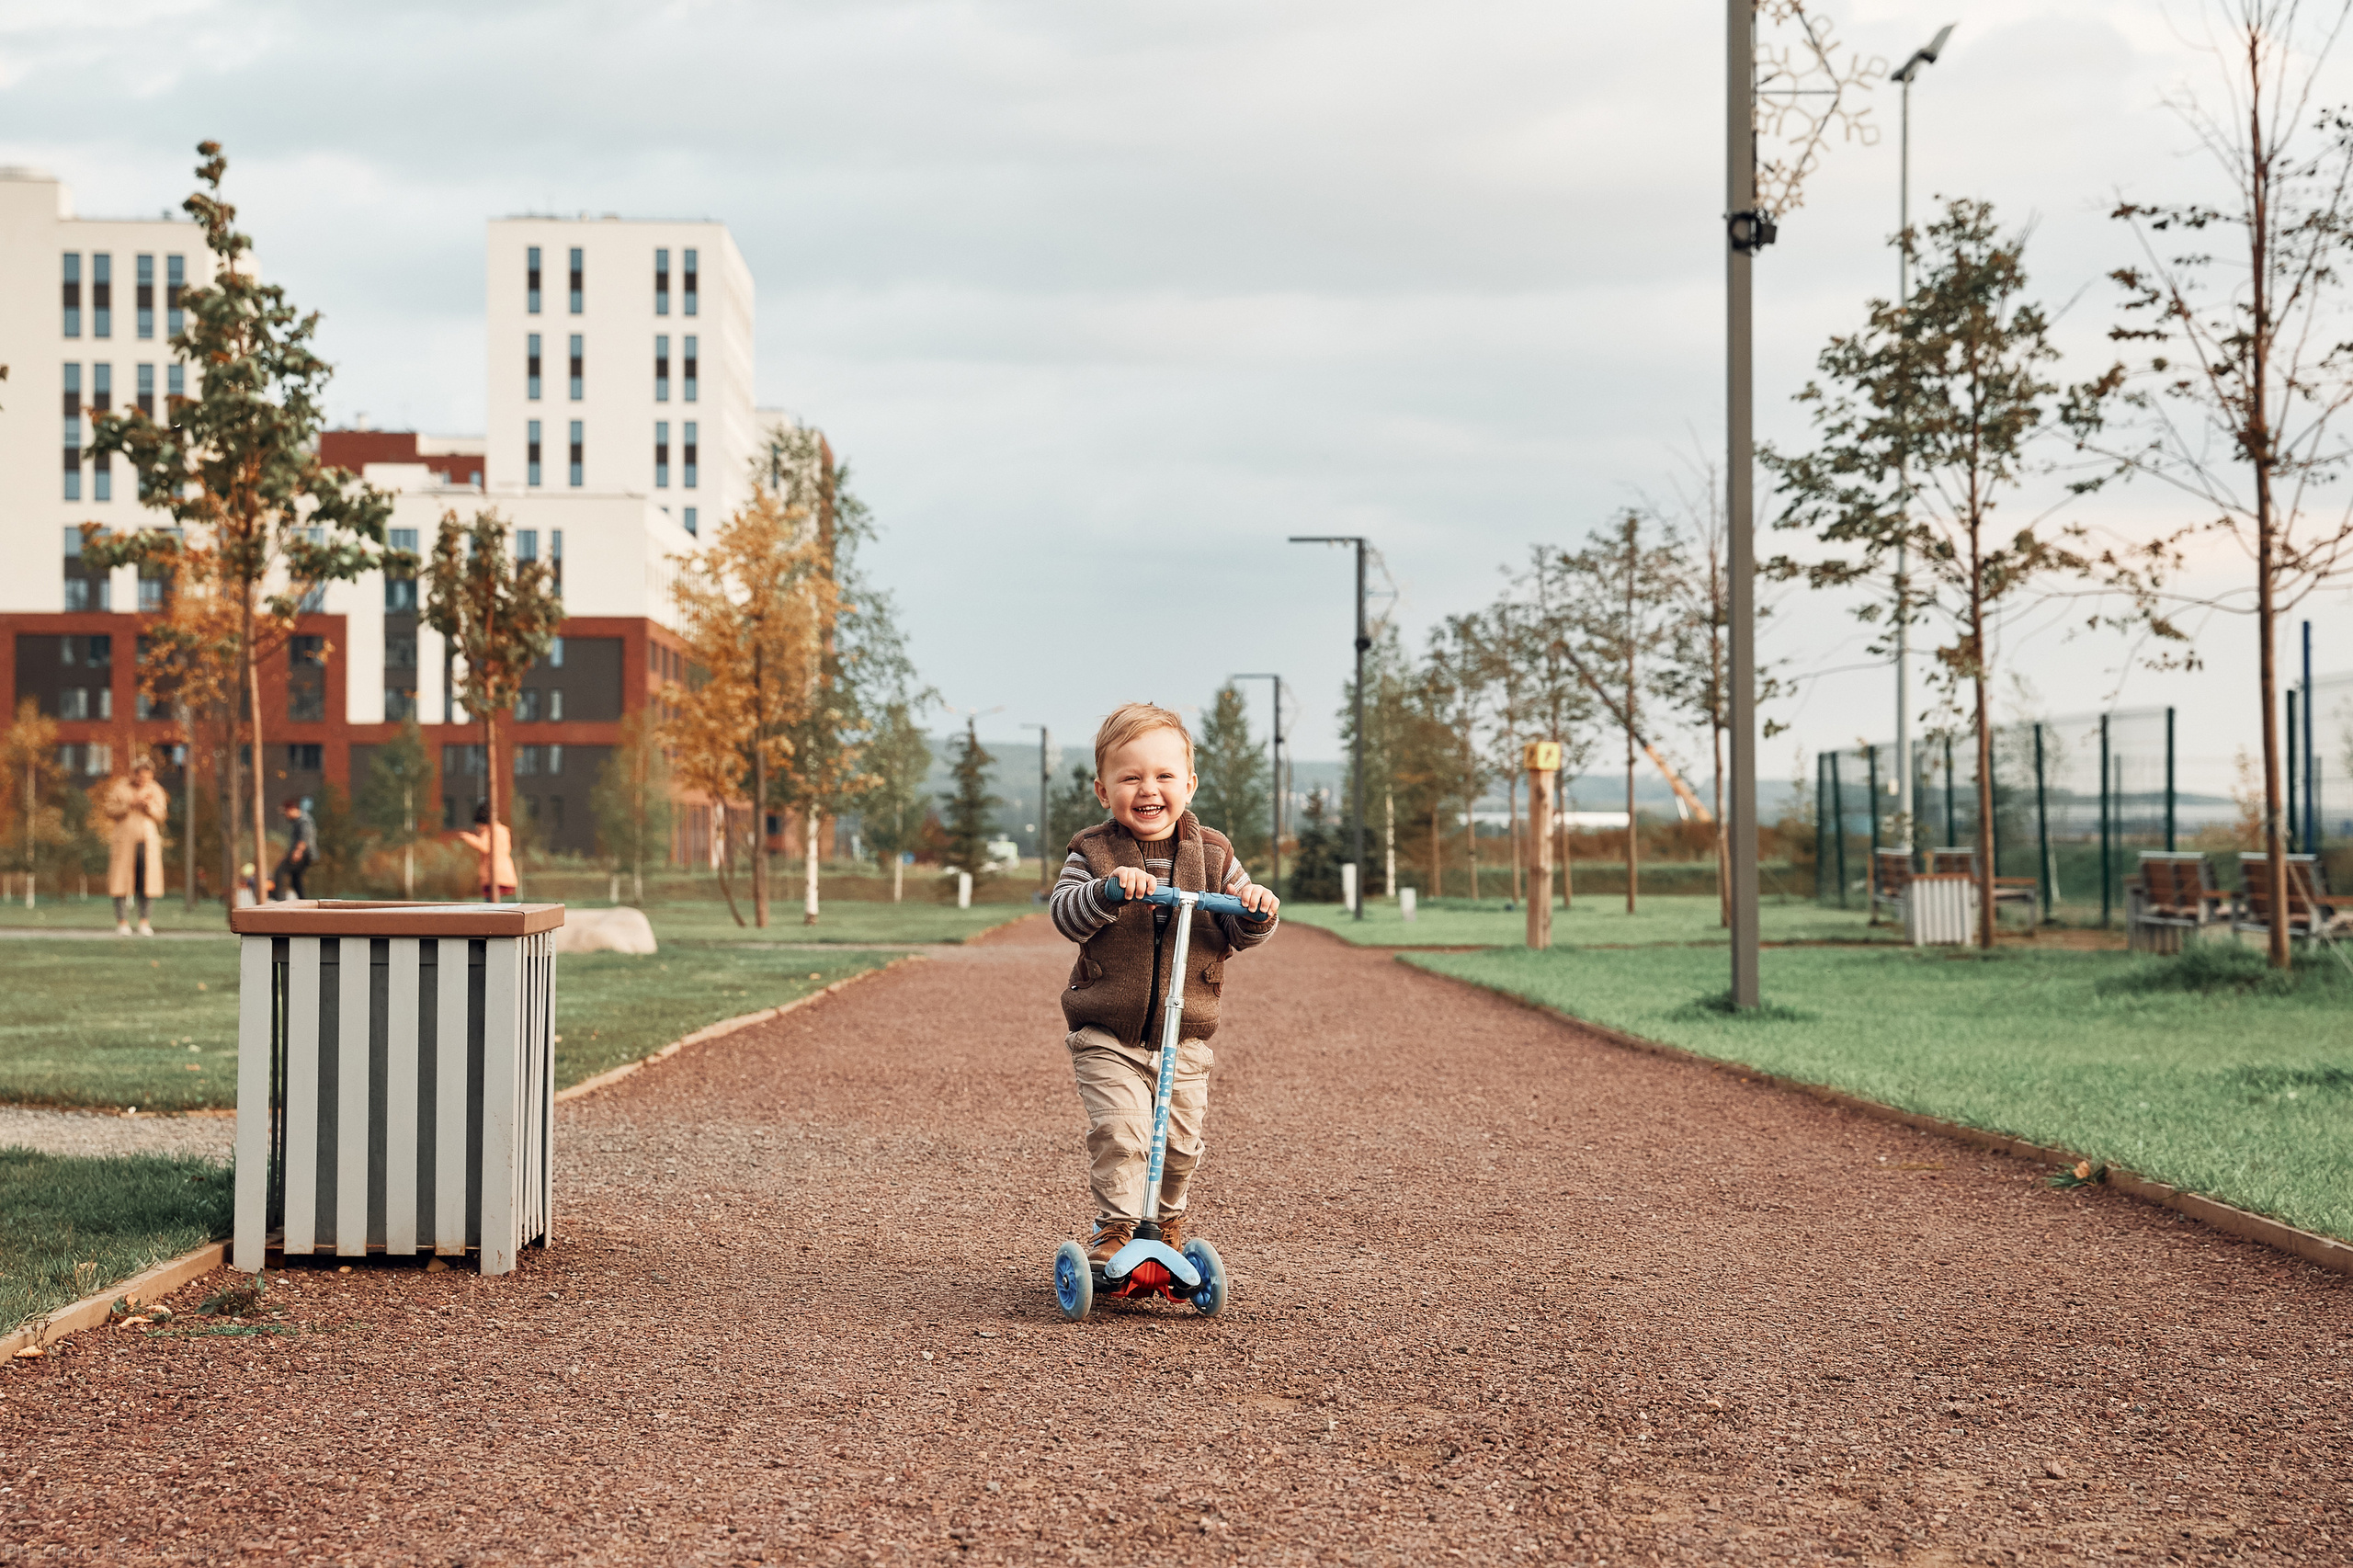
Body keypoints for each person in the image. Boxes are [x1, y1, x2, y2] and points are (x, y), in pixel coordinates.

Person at [1047, 701, 1280, 1265]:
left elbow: (1243, 929)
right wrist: (1104, 893)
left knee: (1178, 1144)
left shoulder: (1215, 853)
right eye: (1130, 777)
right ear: (1104, 791)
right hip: (1109, 1031)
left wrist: (1255, 910)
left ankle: (1168, 1219)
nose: (1148, 788)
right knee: (1123, 1133)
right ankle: (1117, 1227)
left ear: (1190, 785)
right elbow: (1065, 914)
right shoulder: (1093, 852)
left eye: (1163, 775)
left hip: (1186, 1034)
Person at [104, 757, 170, 937]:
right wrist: (130, 804)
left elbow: (161, 814)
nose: (143, 782)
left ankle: (144, 922)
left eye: (146, 779)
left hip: (147, 843)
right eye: (140, 778)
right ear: (134, 774)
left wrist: (148, 807)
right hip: (124, 842)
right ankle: (122, 922)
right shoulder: (121, 787)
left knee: (147, 883)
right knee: (121, 882)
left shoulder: (155, 789)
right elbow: (109, 809)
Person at [457, 801, 517, 902]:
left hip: (494, 875)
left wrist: (468, 837)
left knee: (492, 907)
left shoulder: (491, 831)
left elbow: (485, 846)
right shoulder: (503, 830)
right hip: (505, 874)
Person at [272, 796, 317, 902]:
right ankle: (303, 900)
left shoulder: (303, 820)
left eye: (287, 813)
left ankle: (278, 899)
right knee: (295, 877)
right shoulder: (297, 822)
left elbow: (304, 838)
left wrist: (298, 852)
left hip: (304, 853)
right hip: (300, 852)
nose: (286, 816)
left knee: (280, 870)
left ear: (293, 809)